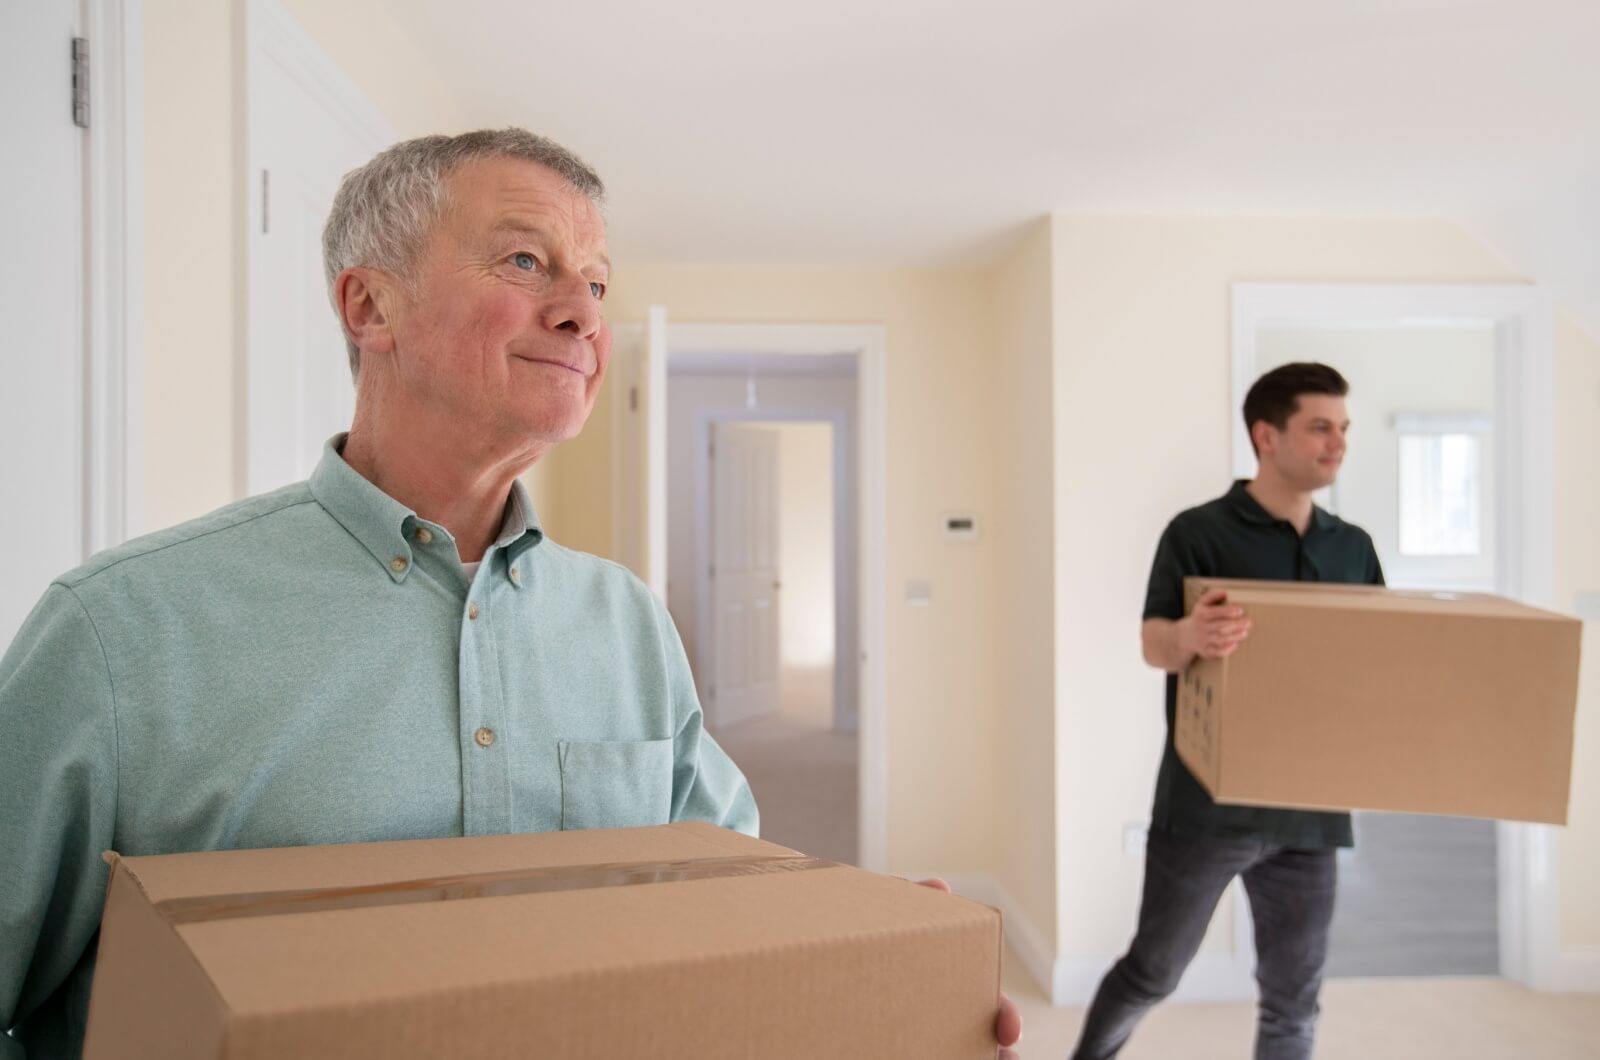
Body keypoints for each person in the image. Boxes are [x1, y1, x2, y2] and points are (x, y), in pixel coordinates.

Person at [0, 128, 1019, 1059]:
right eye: (526, 262)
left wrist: (879, 947)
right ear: (370, 305)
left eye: (599, 282)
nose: (581, 311)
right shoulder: (117, 635)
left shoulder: (627, 622)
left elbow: (723, 897)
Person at [1071, 362, 1383, 1060]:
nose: (1338, 443)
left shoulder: (1352, 547)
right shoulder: (1198, 532)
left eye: (1344, 428)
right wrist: (1189, 637)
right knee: (1152, 974)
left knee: (1294, 1003)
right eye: (1320, 427)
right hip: (1205, 808)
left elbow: (1374, 659)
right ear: (1265, 436)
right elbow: (1155, 642)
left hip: (1312, 815)